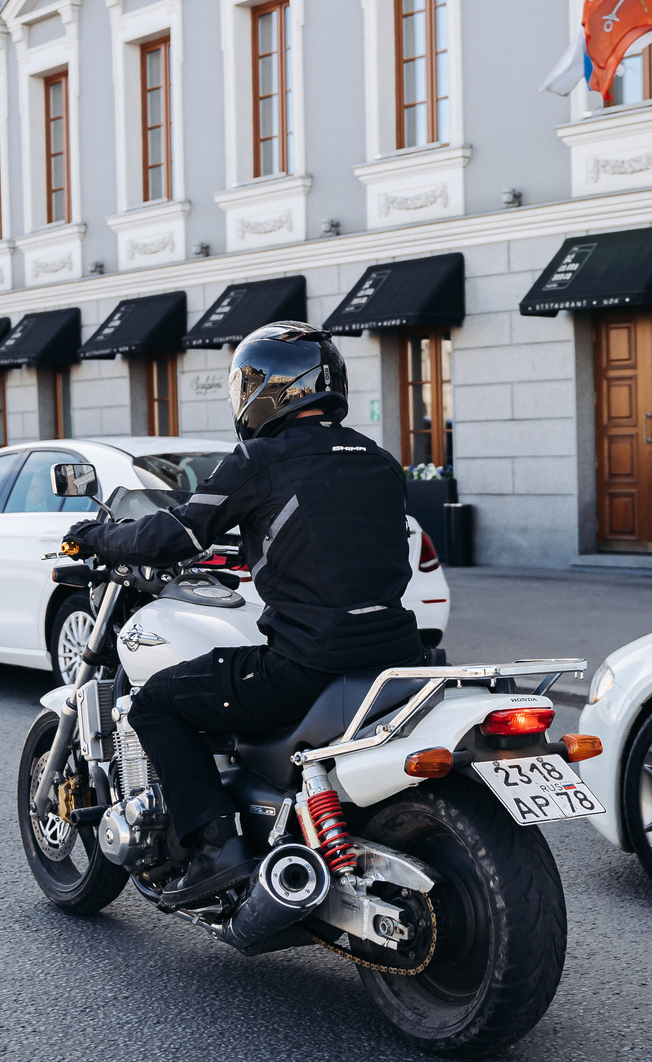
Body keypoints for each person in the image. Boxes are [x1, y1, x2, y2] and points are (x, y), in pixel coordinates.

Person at [64, 324, 424, 910]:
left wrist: (99, 537)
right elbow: (328, 540)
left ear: (267, 392)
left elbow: (174, 532)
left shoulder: (259, 459)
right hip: (397, 660)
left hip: (305, 663)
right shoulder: (378, 460)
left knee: (157, 701)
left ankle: (216, 849)